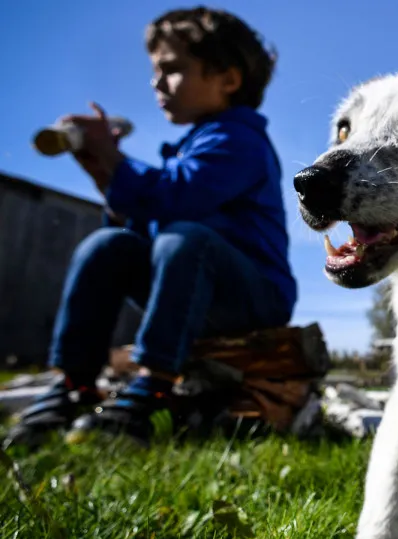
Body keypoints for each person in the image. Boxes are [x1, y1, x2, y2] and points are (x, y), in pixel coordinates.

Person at [5, 6, 297, 448]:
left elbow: (180, 198)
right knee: (108, 245)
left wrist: (117, 161)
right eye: (156, 71)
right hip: (198, 292)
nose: (157, 83)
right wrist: (106, 172)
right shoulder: (188, 146)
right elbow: (142, 229)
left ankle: (153, 387)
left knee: (186, 238)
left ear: (229, 80)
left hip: (253, 300)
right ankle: (74, 383)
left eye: (173, 70)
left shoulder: (240, 140)